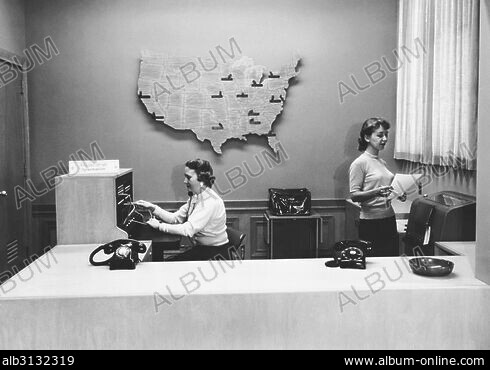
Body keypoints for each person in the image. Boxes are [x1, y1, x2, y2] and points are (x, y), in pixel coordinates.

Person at [134, 159, 230, 261]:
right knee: (168, 263)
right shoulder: (196, 197)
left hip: (215, 254)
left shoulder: (210, 202)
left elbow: (187, 230)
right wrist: (153, 208)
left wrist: (159, 226)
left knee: (169, 265)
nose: (185, 181)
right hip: (203, 249)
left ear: (202, 179)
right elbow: (175, 218)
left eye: (188, 177)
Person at [349, 117, 406, 257]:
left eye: (386, 134)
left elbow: (388, 188)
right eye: (380, 135)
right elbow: (354, 195)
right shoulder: (359, 163)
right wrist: (376, 192)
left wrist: (399, 193)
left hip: (389, 219)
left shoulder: (382, 162)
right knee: (374, 263)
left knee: (390, 261)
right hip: (371, 223)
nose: (385, 138)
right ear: (367, 137)